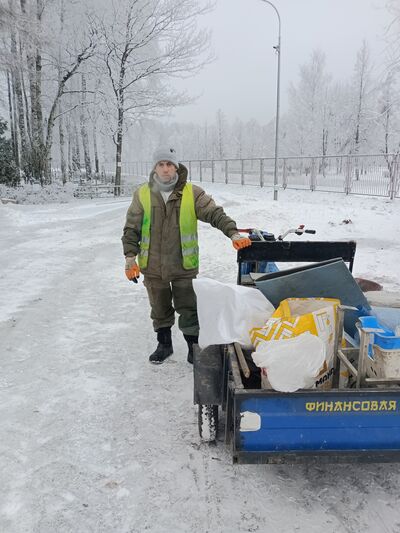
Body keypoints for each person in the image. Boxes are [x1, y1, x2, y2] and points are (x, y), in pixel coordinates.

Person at [122, 146, 252, 365]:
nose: (165, 169)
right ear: (155, 168)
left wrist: (233, 232)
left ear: (176, 167)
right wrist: (129, 258)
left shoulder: (192, 193)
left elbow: (214, 213)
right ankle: (164, 345)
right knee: (159, 308)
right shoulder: (142, 194)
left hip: (183, 264)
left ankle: (193, 347)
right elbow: (131, 228)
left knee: (189, 308)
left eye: (169, 164)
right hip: (153, 265)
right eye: (161, 164)